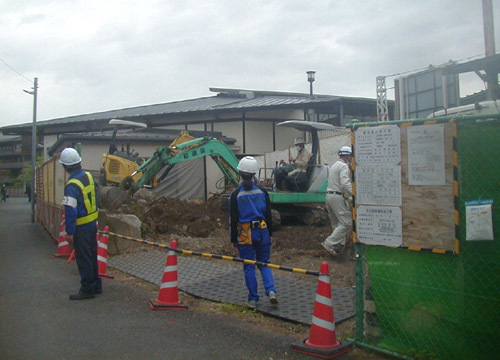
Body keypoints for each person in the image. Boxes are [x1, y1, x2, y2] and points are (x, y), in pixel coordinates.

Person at [229, 156, 278, 309]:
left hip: (245, 234)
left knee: (249, 266)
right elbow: (269, 215)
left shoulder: (236, 195)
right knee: (264, 263)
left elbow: (234, 219)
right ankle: (271, 291)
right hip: (262, 231)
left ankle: (253, 299)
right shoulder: (263, 192)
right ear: (254, 173)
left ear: (240, 173)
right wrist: (270, 233)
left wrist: (233, 239)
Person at [59, 148, 101, 300]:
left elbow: (70, 211)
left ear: (65, 166)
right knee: (92, 255)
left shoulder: (71, 185)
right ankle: (96, 285)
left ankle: (87, 289)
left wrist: (69, 232)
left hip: (81, 227)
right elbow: (96, 197)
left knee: (83, 258)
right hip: (92, 224)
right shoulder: (88, 176)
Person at [322, 146, 353, 257]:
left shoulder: (334, 165)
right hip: (337, 197)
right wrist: (354, 194)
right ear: (348, 156)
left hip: (329, 196)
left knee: (336, 224)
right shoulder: (344, 166)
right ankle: (330, 243)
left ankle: (338, 245)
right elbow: (344, 184)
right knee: (346, 222)